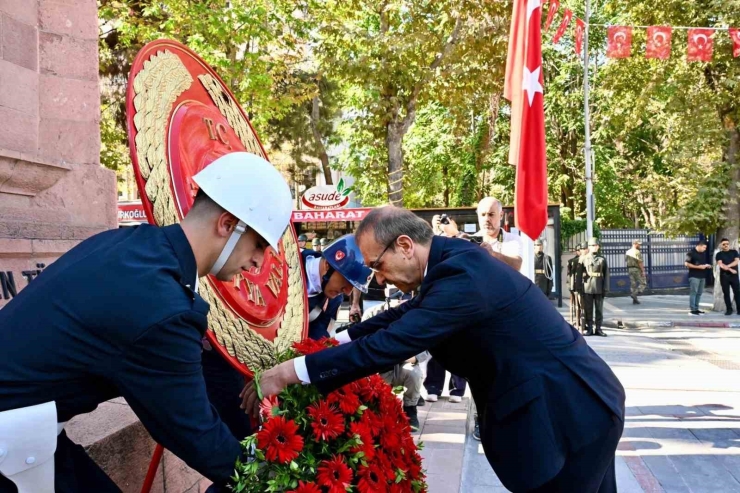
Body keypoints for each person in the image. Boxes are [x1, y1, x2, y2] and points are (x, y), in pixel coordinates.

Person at [243, 206, 626, 493]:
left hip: (569, 416)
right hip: (577, 407)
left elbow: (391, 344)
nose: (377, 279)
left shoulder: (462, 277)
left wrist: (288, 373)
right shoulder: (449, 264)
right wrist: (336, 341)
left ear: (405, 246)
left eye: (378, 265)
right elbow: (403, 315)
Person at [0, 153, 292, 492]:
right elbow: (194, 434)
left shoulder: (135, 246)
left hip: (25, 426)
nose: (259, 261)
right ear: (227, 224)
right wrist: (280, 482)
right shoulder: (164, 306)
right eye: (258, 244)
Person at [301, 235, 374, 340]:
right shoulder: (287, 261)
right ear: (328, 265)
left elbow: (319, 337)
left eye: (352, 286)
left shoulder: (334, 300)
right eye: (346, 281)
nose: (348, 293)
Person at [474, 197, 522, 271]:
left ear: (501, 215)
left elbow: (516, 266)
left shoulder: (513, 240)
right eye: (483, 215)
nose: (486, 219)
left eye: (491, 214)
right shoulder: (471, 240)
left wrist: (492, 253)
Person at [581, 237, 609, 337]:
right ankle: (589, 328)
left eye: (596, 245)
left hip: (598, 286)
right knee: (588, 309)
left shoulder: (602, 259)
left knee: (599, 309)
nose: (594, 247)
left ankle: (598, 328)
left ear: (598, 247)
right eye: (592, 245)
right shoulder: (584, 259)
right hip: (587, 286)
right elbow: (580, 274)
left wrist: (605, 288)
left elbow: (606, 275)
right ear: (589, 247)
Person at [684, 240, 711, 316]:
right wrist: (698, 267)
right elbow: (686, 264)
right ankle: (692, 309)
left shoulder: (702, 253)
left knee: (699, 293)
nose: (705, 249)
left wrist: (706, 265)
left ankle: (696, 308)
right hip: (694, 276)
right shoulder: (691, 253)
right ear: (699, 245)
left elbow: (701, 264)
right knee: (694, 292)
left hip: (702, 276)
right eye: (704, 247)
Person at [715, 238, 740, 316]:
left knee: (737, 293)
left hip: (734, 276)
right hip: (724, 276)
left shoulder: (734, 252)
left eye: (727, 244)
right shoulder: (719, 254)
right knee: (726, 293)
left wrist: (728, 266)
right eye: (724, 244)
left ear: (729, 244)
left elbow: (736, 261)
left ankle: (739, 309)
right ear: (721, 245)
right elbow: (721, 265)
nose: (726, 245)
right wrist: (730, 269)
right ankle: (729, 309)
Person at [567, 244, 584, 330]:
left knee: (583, 305)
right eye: (578, 250)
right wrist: (570, 286)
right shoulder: (572, 261)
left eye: (580, 250)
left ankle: (583, 321)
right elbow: (569, 275)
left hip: (584, 285)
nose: (579, 251)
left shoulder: (585, 259)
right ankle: (577, 320)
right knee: (575, 305)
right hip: (575, 286)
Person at [625, 240, 646, 304]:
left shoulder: (627, 252)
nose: (640, 245)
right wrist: (643, 271)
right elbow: (640, 262)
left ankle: (635, 300)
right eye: (638, 244)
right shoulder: (637, 252)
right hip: (636, 269)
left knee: (633, 284)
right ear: (634, 244)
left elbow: (626, 261)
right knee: (643, 283)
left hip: (630, 269)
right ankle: (634, 294)